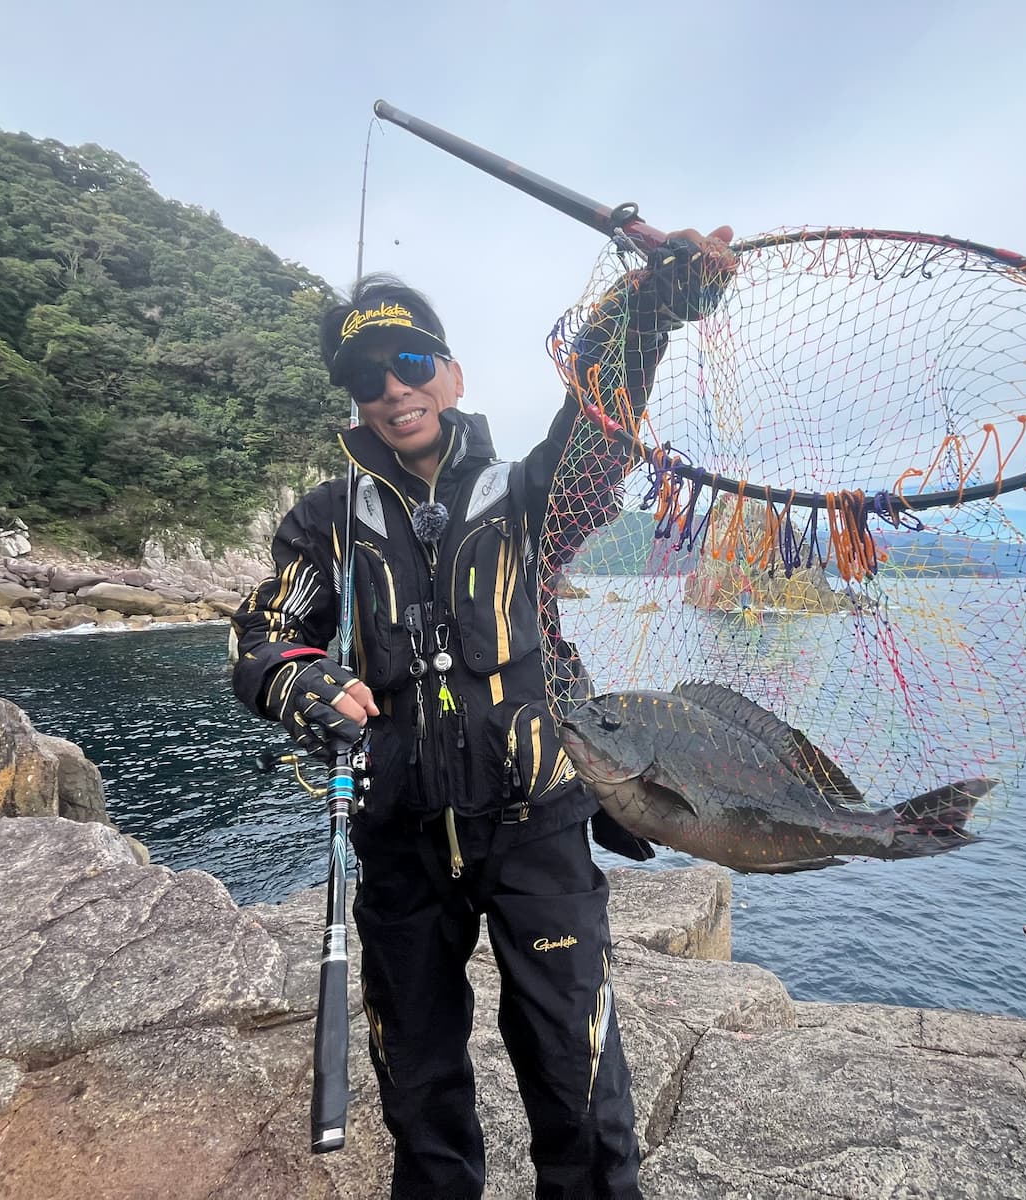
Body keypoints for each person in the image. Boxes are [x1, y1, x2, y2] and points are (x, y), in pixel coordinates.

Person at [231, 226, 734, 1199]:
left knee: (575, 1085)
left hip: (537, 826)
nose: (391, 388)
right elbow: (259, 637)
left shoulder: (526, 494)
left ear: (450, 375)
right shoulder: (324, 521)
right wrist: (298, 680)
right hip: (399, 843)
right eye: (366, 375)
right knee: (420, 1093)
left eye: (409, 361)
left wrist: (653, 310)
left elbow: (598, 433)